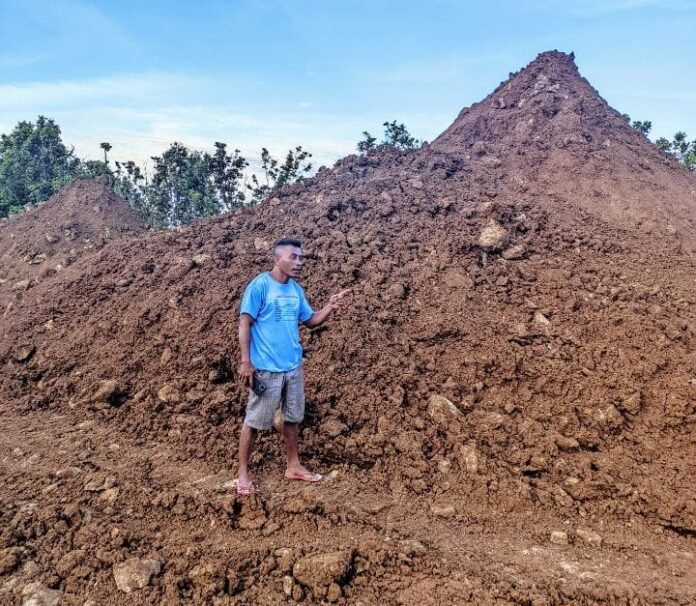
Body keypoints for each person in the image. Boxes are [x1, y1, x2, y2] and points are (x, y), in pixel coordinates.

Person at [236, 237, 350, 496]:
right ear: (277, 259)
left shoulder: (296, 290)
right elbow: (244, 323)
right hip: (266, 368)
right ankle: (242, 472)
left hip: (293, 367)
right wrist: (246, 362)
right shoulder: (260, 286)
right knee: (254, 422)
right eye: (293, 257)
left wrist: (329, 307)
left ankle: (293, 466)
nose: (299, 262)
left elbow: (310, 321)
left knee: (292, 418)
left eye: (301, 258)